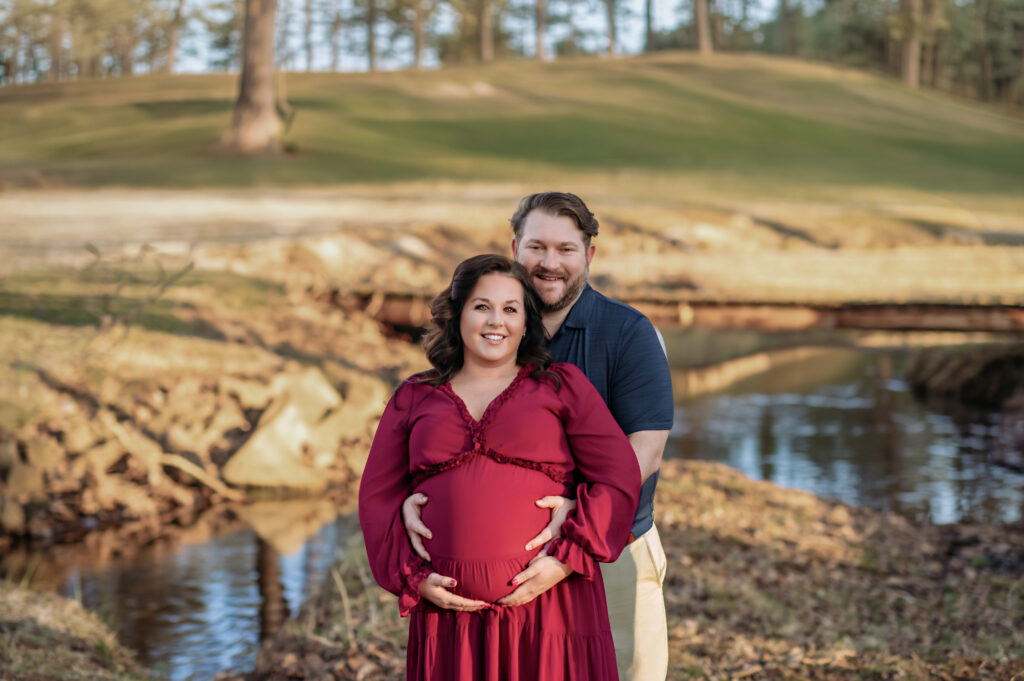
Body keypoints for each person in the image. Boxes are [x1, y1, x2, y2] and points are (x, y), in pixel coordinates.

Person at [404, 193, 674, 681]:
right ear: (515, 248)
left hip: (607, 551)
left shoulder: (629, 334)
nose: (550, 264)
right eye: (537, 247)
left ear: (589, 255)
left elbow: (647, 451)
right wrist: (412, 499)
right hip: (492, 576)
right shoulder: (490, 330)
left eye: (566, 249)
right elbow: (443, 429)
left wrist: (579, 521)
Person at [359, 253, 642, 680]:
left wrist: (567, 557)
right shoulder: (415, 396)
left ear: (527, 323)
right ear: (457, 316)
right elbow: (377, 496)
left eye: (511, 309)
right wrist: (414, 578)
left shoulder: (561, 386)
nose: (496, 321)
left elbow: (617, 478)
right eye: (482, 307)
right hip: (451, 620)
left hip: (552, 608)